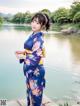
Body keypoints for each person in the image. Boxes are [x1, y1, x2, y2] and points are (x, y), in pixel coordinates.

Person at [15, 12, 50, 106]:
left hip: (36, 70)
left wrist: (23, 56)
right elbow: (31, 51)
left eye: (38, 23)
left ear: (42, 25)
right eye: (34, 21)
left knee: (36, 95)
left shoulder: (39, 39)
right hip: (32, 68)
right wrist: (23, 52)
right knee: (30, 92)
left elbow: (36, 57)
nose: (34, 24)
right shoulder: (33, 35)